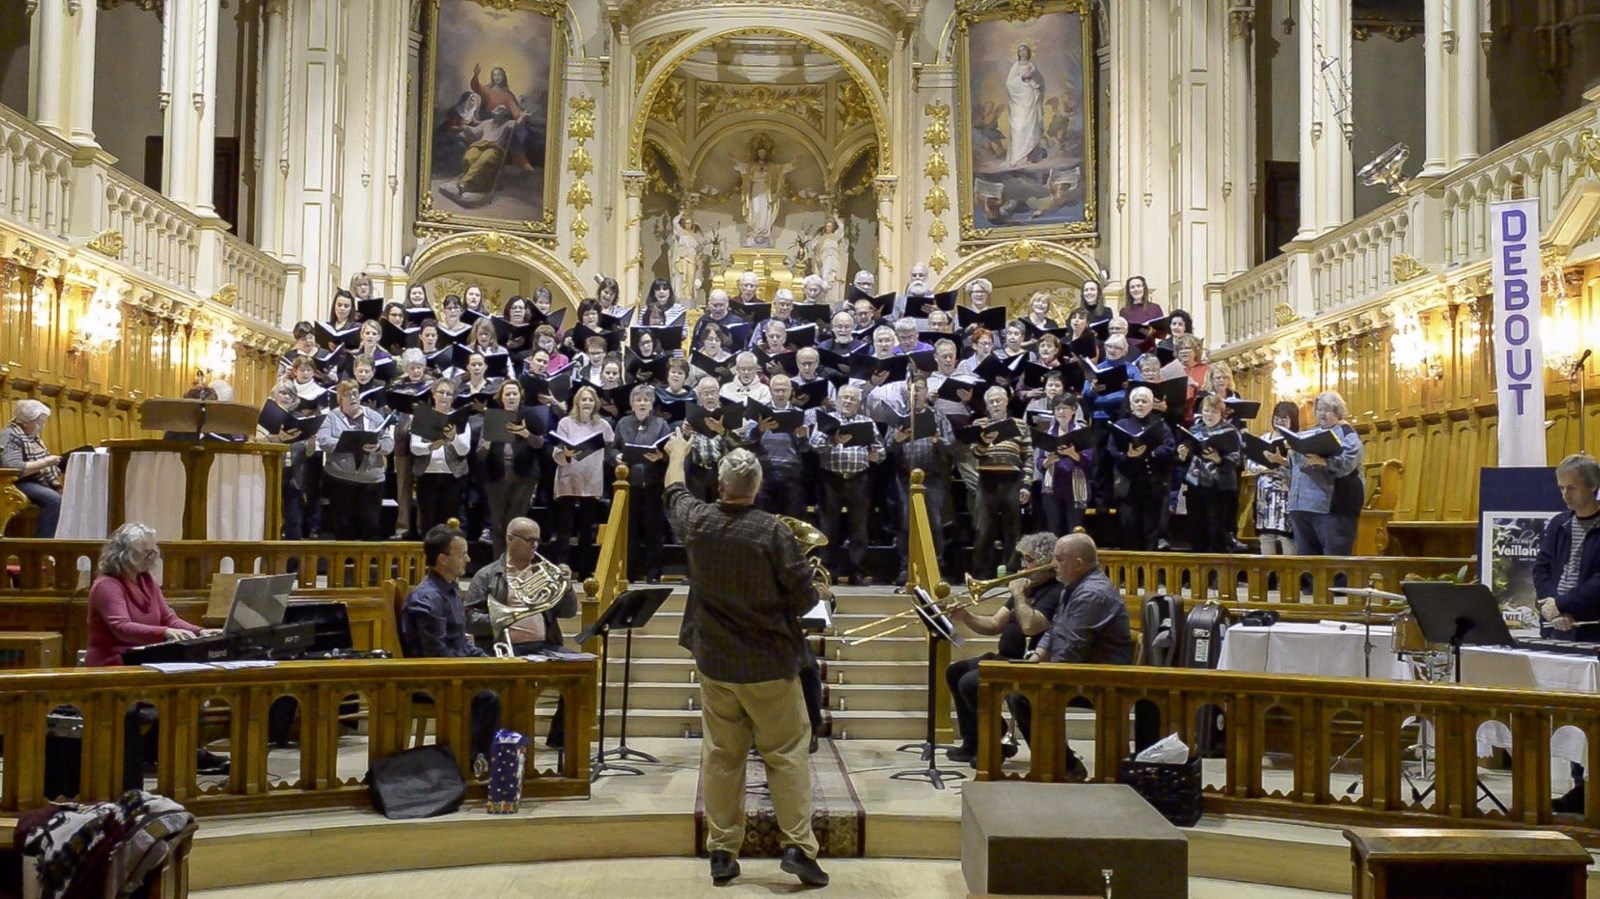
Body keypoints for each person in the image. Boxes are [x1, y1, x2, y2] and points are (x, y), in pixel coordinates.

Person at [662, 435, 831, 888]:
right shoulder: (772, 531)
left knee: (722, 756)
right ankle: (798, 848)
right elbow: (805, 599)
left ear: (720, 486)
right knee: (787, 755)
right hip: (769, 665)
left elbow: (674, 491)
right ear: (757, 487)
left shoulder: (698, 520)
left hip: (716, 663)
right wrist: (820, 592)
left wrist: (678, 455)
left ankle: (722, 851)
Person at [86, 522, 229, 782]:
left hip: (143, 660)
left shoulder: (147, 581)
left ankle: (179, 753)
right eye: (146, 552)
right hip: (114, 664)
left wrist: (199, 632)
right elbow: (121, 628)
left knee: (188, 687)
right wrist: (163, 633)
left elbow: (169, 618)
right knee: (174, 690)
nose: (153, 557)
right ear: (124, 554)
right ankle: (169, 753)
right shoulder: (107, 585)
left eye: (154, 551)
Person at [1020, 533, 1135, 778]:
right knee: (1021, 689)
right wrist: (1036, 657)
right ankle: (1058, 765)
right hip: (1085, 670)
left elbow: (1071, 650)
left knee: (1025, 695)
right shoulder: (1073, 587)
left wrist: (1040, 675)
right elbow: (1056, 629)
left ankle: (1062, 767)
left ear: (1079, 563)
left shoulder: (1091, 594)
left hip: (1103, 680)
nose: (1053, 565)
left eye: (1059, 559)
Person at [945, 532, 1063, 765]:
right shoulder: (1028, 589)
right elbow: (994, 624)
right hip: (1004, 657)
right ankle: (973, 742)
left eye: (1029, 560)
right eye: (1023, 558)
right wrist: (966, 616)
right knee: (955, 672)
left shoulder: (1055, 593)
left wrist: (1019, 595)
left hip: (1027, 662)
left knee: (970, 682)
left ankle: (994, 744)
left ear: (1046, 563)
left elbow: (1030, 626)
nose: (1023, 565)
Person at [464, 517, 577, 747]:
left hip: (544, 646)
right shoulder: (487, 575)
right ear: (510, 539)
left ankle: (560, 739)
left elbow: (568, 612)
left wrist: (566, 587)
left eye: (537, 540)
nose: (534, 546)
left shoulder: (544, 572)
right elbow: (468, 619)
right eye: (529, 540)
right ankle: (505, 744)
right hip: (504, 649)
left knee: (579, 670)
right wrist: (502, 619)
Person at [400, 524, 500, 772]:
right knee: (489, 696)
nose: (468, 559)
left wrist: (490, 662)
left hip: (452, 669)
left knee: (507, 682)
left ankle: (491, 759)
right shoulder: (426, 599)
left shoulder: (451, 589)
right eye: (462, 554)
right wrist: (476, 669)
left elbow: (460, 642)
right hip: (433, 680)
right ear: (443, 559)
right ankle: (469, 763)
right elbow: (436, 655)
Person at [1533, 454, 1600, 813]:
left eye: (1571, 488)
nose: (1565, 495)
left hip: (1591, 628)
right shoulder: (1558, 524)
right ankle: (1578, 786)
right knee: (1569, 712)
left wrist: (1565, 605)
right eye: (1561, 488)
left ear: (1592, 487)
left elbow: (1598, 583)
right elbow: (1542, 567)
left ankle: (1593, 787)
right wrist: (1549, 605)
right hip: (1558, 625)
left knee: (1592, 713)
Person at [808, 383, 883, 586]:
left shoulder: (867, 422)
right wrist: (834, 440)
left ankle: (855, 571)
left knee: (859, 528)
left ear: (859, 403)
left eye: (852, 399)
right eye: (845, 398)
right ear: (838, 399)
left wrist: (876, 455)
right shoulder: (827, 420)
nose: (848, 401)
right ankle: (828, 571)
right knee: (828, 526)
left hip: (859, 478)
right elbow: (814, 445)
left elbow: (880, 449)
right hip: (830, 478)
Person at [1287, 391, 1364, 557]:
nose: (1321, 414)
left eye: (1327, 410)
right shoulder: (1309, 433)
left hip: (1334, 507)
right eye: (1319, 410)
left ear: (1338, 411)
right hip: (1302, 505)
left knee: (1334, 559)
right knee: (1308, 560)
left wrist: (1324, 462)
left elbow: (1348, 463)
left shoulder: (1347, 434)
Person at [314, 380, 394, 540]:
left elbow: (388, 443)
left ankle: (368, 555)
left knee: (371, 525)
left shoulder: (374, 416)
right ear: (340, 399)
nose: (353, 398)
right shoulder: (331, 417)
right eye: (347, 395)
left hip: (371, 480)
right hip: (341, 479)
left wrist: (378, 446)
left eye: (355, 394)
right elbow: (323, 440)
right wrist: (346, 443)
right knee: (343, 527)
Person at [478, 380, 548, 559]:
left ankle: (515, 564)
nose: (511, 397)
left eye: (514, 394)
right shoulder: (493, 418)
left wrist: (526, 434)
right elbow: (480, 454)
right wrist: (488, 442)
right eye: (507, 394)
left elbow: (540, 444)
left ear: (520, 396)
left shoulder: (529, 416)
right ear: (501, 398)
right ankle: (499, 565)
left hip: (524, 477)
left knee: (516, 524)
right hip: (496, 477)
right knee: (498, 524)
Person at [550, 384, 614, 575]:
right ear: (577, 402)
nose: (587, 402)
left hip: (591, 479)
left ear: (596, 403)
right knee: (565, 527)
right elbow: (557, 450)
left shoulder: (603, 425)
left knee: (587, 527)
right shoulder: (566, 423)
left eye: (590, 400)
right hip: (568, 478)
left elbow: (611, 445)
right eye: (584, 399)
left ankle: (585, 569)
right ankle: (563, 566)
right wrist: (566, 453)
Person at [970, 386, 1034, 578]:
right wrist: (984, 442)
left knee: (1013, 530)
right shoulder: (979, 423)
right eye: (991, 402)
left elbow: (1028, 456)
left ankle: (1011, 572)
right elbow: (974, 453)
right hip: (986, 479)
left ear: (1006, 402)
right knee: (983, 529)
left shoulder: (1020, 424)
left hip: (1012, 479)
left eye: (998, 400)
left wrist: (1026, 484)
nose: (995, 404)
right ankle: (981, 575)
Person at [613, 385, 673, 582]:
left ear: (651, 404)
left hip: (653, 485)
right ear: (632, 404)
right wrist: (617, 457)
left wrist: (661, 456)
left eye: (646, 400)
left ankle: (653, 573)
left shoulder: (661, 424)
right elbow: (613, 449)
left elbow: (668, 451)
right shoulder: (623, 423)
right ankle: (630, 572)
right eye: (638, 400)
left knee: (653, 530)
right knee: (630, 530)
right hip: (629, 485)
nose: (642, 403)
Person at [1107, 386, 1176, 551]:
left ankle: (1151, 566)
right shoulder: (1121, 425)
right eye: (1136, 401)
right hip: (1128, 486)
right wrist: (1128, 455)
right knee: (1129, 529)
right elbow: (1112, 449)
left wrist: (1150, 453)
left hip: (1153, 485)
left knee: (1151, 531)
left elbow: (1169, 448)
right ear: (1131, 405)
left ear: (1151, 405)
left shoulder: (1160, 425)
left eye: (1144, 401)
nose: (1140, 404)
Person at [1178, 395, 1242, 553]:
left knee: (1216, 529)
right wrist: (1183, 454)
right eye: (1206, 410)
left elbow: (1237, 459)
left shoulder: (1231, 431)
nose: (1209, 415)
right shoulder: (1194, 429)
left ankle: (1217, 564)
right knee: (1196, 527)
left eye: (1214, 412)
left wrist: (1219, 459)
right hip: (1196, 484)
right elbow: (1189, 455)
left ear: (1221, 414)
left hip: (1220, 486)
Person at [409, 379, 472, 535]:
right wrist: (430, 447)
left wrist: (454, 437)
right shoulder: (422, 417)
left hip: (453, 477)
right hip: (427, 475)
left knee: (450, 521)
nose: (444, 396)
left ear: (453, 397)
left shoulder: (460, 419)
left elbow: (464, 450)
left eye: (449, 394)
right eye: (441, 392)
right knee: (428, 520)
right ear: (433, 394)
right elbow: (414, 447)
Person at [2, 399, 62, 537]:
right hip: (15, 482)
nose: (43, 426)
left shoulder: (31, 437)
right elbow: (13, 467)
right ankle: (44, 544)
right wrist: (46, 462)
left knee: (64, 495)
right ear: (25, 421)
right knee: (53, 499)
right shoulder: (10, 435)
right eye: (40, 422)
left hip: (32, 480)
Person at [1249, 402, 1298, 554]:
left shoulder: (1296, 442)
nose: (1279, 422)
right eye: (1276, 418)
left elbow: (1300, 468)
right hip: (1265, 495)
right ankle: (1267, 570)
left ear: (1293, 420)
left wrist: (1281, 464)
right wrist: (1265, 468)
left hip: (1286, 494)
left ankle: (1289, 570)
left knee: (1287, 538)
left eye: (1284, 419)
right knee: (1266, 536)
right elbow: (1251, 464)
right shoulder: (1264, 438)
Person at [1004, 44, 1046, 167]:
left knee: (1032, 126)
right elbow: (1009, 83)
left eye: (1025, 51)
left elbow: (1040, 80)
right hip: (1020, 100)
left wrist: (1034, 83)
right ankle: (1018, 156)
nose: (1023, 53)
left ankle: (1030, 156)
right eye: (1021, 51)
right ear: (1018, 53)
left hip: (1031, 97)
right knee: (1019, 127)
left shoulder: (1032, 65)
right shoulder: (1016, 66)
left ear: (1028, 52)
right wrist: (1022, 78)